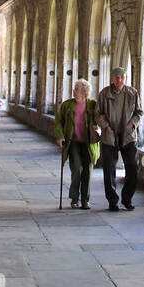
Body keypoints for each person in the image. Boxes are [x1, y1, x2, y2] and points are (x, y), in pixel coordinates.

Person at [97, 67, 142, 211]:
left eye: (122, 77)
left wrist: (132, 124)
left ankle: (127, 198)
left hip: (128, 136)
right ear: (112, 79)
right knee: (109, 170)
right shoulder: (104, 94)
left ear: (126, 78)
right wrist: (106, 126)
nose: (119, 80)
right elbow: (97, 113)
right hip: (109, 136)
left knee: (133, 168)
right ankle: (112, 200)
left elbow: (139, 113)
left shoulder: (132, 93)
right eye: (116, 77)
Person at [54, 79, 101, 209]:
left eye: (76, 89)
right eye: (74, 88)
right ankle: (75, 198)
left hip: (89, 143)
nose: (74, 91)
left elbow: (101, 117)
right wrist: (59, 137)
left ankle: (85, 199)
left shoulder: (93, 105)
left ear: (84, 92)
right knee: (76, 169)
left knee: (88, 170)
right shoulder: (67, 105)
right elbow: (58, 122)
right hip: (73, 141)